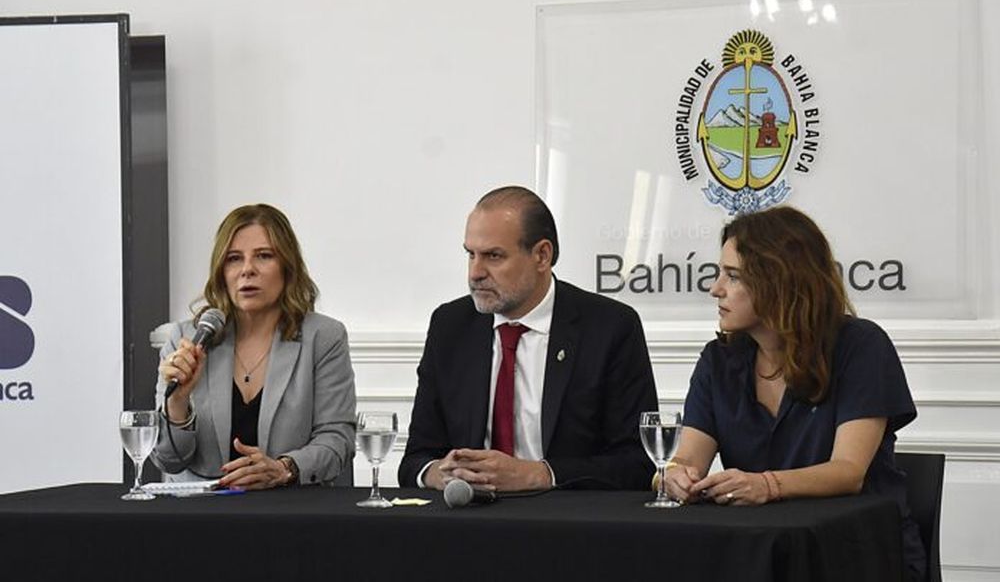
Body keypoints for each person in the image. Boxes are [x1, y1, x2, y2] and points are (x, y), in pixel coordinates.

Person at [663, 205, 926, 581]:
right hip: (764, 554)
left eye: (732, 276)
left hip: (856, 554)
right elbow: (688, 457)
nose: (714, 288)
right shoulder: (718, 360)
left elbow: (847, 472)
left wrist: (765, 485)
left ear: (779, 281)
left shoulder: (861, 346)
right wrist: (673, 476)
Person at [399, 186, 658, 491]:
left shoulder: (609, 327)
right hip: (468, 525)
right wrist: (441, 474)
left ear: (541, 255)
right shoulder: (451, 326)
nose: (475, 272)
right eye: (470, 255)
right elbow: (415, 459)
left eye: (493, 256)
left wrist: (538, 474)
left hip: (571, 526)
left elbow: (638, 462)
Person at [151, 204, 356, 489]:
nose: (247, 270)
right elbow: (169, 460)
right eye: (234, 259)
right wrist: (178, 402)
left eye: (264, 256)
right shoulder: (187, 338)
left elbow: (337, 439)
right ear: (221, 272)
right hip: (202, 516)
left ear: (288, 266)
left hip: (291, 512)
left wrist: (285, 468)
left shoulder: (323, 337)